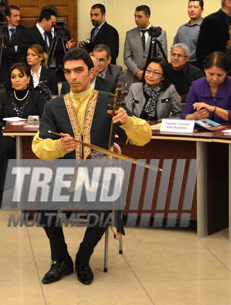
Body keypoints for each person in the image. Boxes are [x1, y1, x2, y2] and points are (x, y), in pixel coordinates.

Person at [32, 48, 151, 285]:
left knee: (105, 205)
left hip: (99, 177)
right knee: (42, 204)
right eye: (67, 72)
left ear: (92, 71)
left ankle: (83, 258)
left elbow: (143, 137)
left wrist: (127, 122)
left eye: (79, 70)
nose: (73, 77)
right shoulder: (53, 106)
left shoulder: (110, 101)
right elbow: (39, 146)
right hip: (64, 175)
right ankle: (61, 259)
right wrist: (58, 146)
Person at [0, 63, 46, 208]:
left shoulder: (37, 97)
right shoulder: (5, 98)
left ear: (28, 78)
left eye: (21, 76)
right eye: (13, 77)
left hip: (32, 138)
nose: (17, 80)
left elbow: (46, 120)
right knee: (4, 145)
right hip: (9, 137)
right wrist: (6, 129)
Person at [183, 52, 231, 123]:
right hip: (204, 132)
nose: (215, 79)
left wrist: (213, 109)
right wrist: (193, 117)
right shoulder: (196, 85)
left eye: (219, 75)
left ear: (226, 73)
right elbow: (185, 115)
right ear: (204, 70)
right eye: (211, 74)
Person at [196, 0, 231, 69]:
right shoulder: (211, 20)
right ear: (228, 3)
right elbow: (201, 50)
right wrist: (207, 71)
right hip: (215, 69)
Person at [123, 5, 168, 83]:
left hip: (153, 77)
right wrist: (137, 72)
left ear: (147, 17)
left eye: (139, 17)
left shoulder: (160, 33)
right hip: (134, 78)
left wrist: (148, 72)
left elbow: (162, 57)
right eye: (135, 16)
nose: (136, 19)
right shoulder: (130, 34)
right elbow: (127, 57)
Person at [173, 0, 204, 64]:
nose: (192, 10)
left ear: (202, 10)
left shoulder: (205, 27)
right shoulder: (182, 28)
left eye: (195, 7)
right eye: (190, 7)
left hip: (197, 65)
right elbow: (174, 47)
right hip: (180, 65)